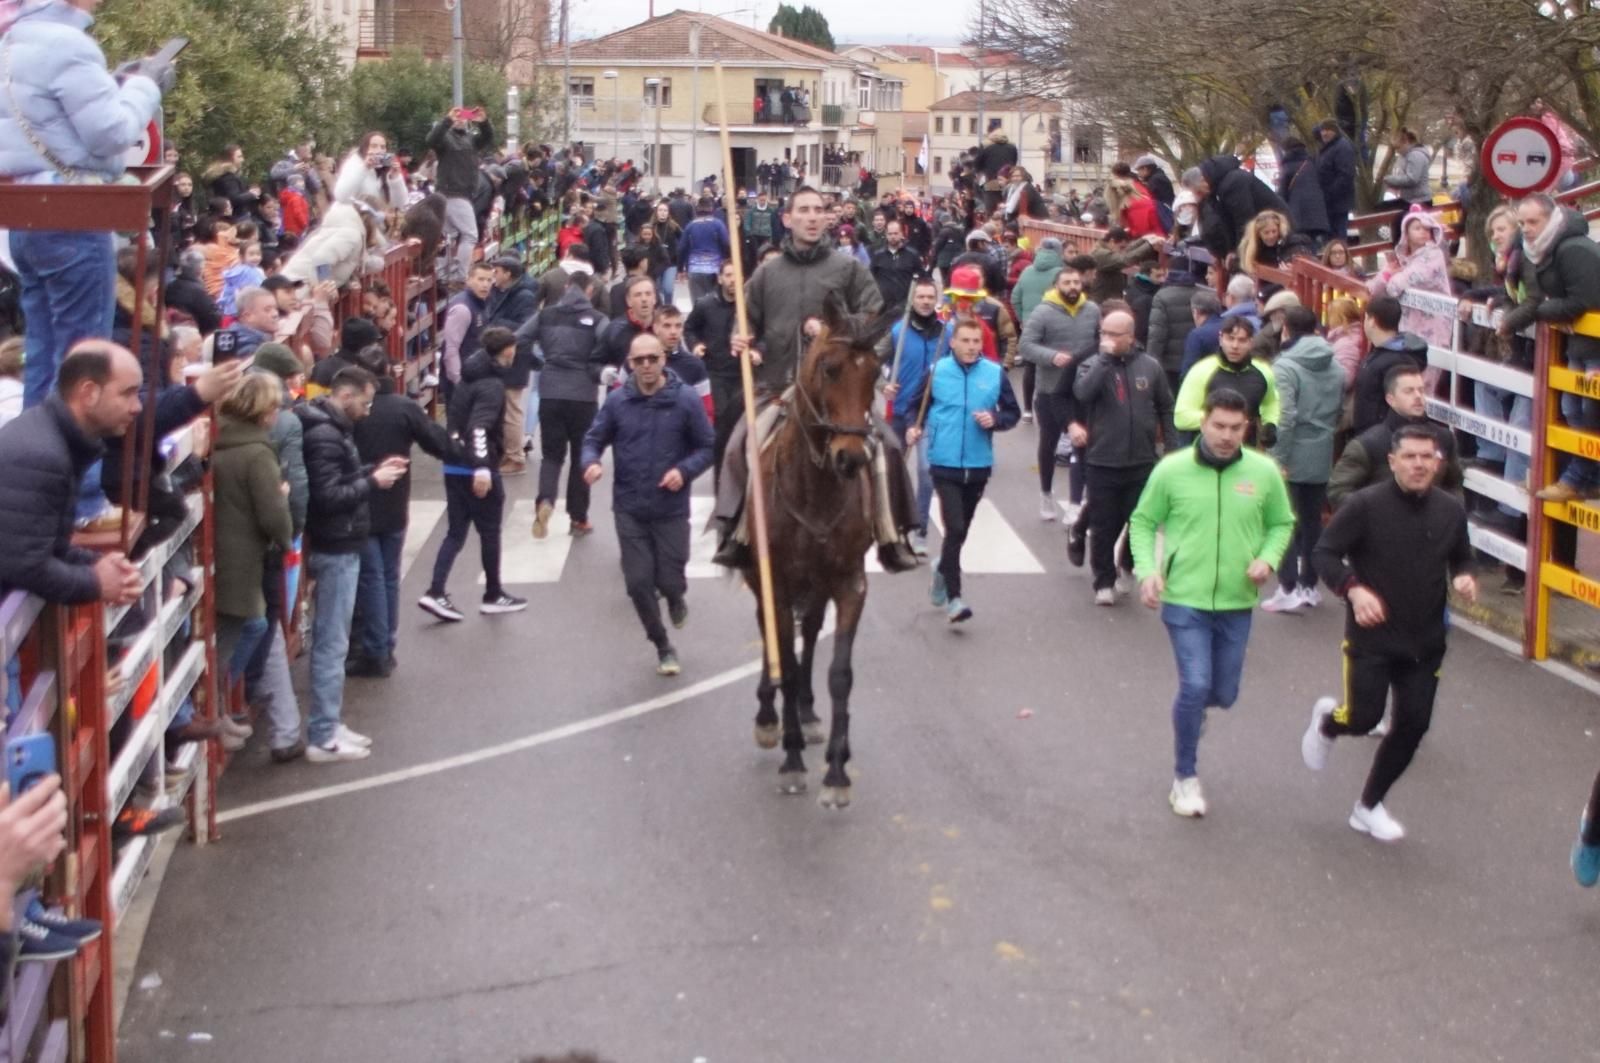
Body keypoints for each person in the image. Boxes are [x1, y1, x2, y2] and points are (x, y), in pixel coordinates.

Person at [717, 185, 914, 572]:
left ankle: (893, 534)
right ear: (787, 218)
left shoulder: (848, 269)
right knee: (738, 444)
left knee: (887, 448)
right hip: (779, 387)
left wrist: (832, 332)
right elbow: (746, 318)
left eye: (818, 210)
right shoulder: (767, 273)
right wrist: (742, 339)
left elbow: (874, 318)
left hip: (838, 394)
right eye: (803, 210)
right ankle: (736, 531)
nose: (811, 217)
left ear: (827, 218)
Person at [1301, 425, 1476, 842]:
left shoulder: (1450, 510)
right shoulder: (1365, 505)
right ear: (1393, 461)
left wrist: (1465, 576)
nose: (1419, 464)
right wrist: (1353, 589)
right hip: (1372, 639)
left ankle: (1368, 806)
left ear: (1439, 462)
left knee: (1413, 725)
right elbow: (1324, 553)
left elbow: (1463, 557)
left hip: (1425, 642)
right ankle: (1328, 723)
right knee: (1363, 718)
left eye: (1427, 457)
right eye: (1410, 457)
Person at [1130, 389, 1295, 818]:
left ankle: (1195, 714)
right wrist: (1147, 571)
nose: (1226, 436)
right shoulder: (1172, 470)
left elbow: (1281, 523)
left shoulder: (1262, 472)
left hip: (1237, 600)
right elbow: (1143, 522)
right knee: (1195, 684)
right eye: (1218, 426)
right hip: (1184, 597)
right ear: (1203, 423)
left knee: (1223, 693)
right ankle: (1184, 777)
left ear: (1247, 428)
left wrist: (1267, 559)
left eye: (1235, 428)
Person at [1, 0, 169, 408]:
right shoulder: (68, 44)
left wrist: (113, 85)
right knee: (84, 363)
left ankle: (35, 445)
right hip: (73, 213)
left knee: (42, 355)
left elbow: (52, 119)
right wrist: (146, 87)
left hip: (26, 215)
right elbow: (111, 134)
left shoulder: (12, 40)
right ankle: (71, 452)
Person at [580, 331, 714, 675]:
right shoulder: (617, 401)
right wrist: (591, 462)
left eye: (652, 358)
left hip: (671, 508)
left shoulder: (685, 399)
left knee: (670, 581)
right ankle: (662, 645)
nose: (646, 366)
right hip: (630, 507)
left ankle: (676, 597)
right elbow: (593, 439)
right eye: (639, 360)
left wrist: (683, 471)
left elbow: (708, 446)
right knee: (638, 583)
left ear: (663, 360)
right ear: (630, 363)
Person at [296, 366, 409, 764]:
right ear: (345, 396)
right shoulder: (327, 435)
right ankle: (323, 734)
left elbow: (334, 483)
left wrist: (369, 472)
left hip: (341, 540)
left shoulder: (329, 429)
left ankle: (329, 724)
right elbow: (328, 496)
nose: (368, 410)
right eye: (365, 402)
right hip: (337, 544)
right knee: (332, 642)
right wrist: (373, 482)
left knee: (335, 640)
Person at [0, 342, 144, 605]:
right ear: (88, 393)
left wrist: (97, 564)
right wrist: (97, 582)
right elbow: (23, 565)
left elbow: (46, 547)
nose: (137, 407)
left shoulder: (51, 437)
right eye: (128, 394)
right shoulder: (42, 456)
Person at [350, 347, 463, 670]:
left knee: (371, 578)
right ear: (390, 370)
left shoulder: (353, 411)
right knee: (388, 576)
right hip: (395, 501)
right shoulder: (404, 408)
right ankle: (386, 642)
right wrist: (468, 454)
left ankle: (374, 648)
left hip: (360, 499)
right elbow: (438, 443)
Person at [906, 318, 1021, 623]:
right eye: (965, 341)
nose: (971, 347)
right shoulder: (937, 371)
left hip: (978, 463)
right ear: (953, 343)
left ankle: (941, 568)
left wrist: (995, 419)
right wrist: (912, 427)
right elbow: (915, 407)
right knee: (954, 528)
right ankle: (955, 599)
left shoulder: (994, 373)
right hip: (943, 462)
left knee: (960, 532)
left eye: (976, 341)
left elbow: (1013, 412)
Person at [419, 327, 528, 623]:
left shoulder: (467, 378)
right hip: (477, 467)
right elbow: (479, 427)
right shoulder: (492, 386)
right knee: (490, 532)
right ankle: (493, 594)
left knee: (455, 532)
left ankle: (436, 590)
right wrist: (482, 467)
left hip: (453, 464)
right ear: (506, 351)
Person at [1072, 310, 1177, 604]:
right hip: (1102, 459)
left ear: (1130, 336)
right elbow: (1083, 393)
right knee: (1104, 525)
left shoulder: (1150, 366)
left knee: (1140, 520)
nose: (1107, 339)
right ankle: (1103, 581)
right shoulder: (1093, 364)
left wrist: (1171, 446)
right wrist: (1104, 360)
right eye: (1103, 333)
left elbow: (1166, 406)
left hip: (1141, 460)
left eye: (1114, 334)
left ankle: (1127, 564)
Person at [1500, 194, 1600, 502]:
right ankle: (1587, 478)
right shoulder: (1544, 249)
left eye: (1533, 221)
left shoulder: (1572, 249)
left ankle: (1575, 479)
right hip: (1580, 343)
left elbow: (1583, 301)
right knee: (1573, 409)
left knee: (1589, 412)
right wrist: (1554, 310)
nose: (1526, 229)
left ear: (1551, 218)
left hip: (1594, 346)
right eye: (1522, 223)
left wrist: (1546, 310)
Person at [211, 374, 294, 683]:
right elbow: (273, 513)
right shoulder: (258, 454)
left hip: (221, 549)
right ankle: (223, 691)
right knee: (250, 626)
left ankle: (221, 692)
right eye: (275, 407)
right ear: (264, 411)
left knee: (234, 628)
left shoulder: (220, 440)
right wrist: (286, 538)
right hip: (243, 558)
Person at [1263, 306, 1345, 612]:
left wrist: (1277, 457)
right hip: (1322, 447)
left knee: (1282, 518)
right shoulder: (1335, 366)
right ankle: (1309, 585)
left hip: (1293, 450)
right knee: (1312, 521)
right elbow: (1338, 410)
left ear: (1286, 329)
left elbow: (1285, 416)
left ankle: (1287, 585)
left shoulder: (1285, 367)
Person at [517, 272, 607, 539]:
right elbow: (611, 344)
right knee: (581, 456)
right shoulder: (597, 319)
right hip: (583, 394)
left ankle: (545, 500)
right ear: (590, 291)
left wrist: (537, 363)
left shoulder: (545, 315)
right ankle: (578, 518)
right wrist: (597, 368)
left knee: (552, 456)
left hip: (551, 391)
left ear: (567, 287)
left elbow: (519, 339)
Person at [1020, 260, 1100, 522]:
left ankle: (1077, 502)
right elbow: (1026, 346)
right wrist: (1052, 356)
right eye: (1067, 283)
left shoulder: (1092, 310)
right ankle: (1046, 493)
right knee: (1049, 443)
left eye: (1076, 282)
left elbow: (1100, 342)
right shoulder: (1043, 312)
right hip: (1050, 389)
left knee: (1082, 444)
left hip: (1083, 390)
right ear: (1056, 286)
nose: (1073, 287)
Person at [1330, 365, 1463, 510]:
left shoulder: (1444, 438)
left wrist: (1446, 512)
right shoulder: (1368, 444)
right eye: (1409, 391)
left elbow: (1455, 485)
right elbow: (1338, 491)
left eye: (1421, 390)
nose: (1418, 396)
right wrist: (1377, 513)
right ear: (1390, 399)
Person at [879, 278, 944, 550]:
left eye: (930, 297)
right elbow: (872, 360)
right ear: (912, 300)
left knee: (926, 472)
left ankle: (920, 531)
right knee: (893, 472)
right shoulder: (898, 331)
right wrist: (883, 385)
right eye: (921, 297)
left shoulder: (947, 332)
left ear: (936, 300)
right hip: (900, 411)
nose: (926, 302)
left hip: (930, 413)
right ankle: (893, 526)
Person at [1174, 316, 1279, 445]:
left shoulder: (1263, 372)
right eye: (1230, 339)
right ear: (1221, 339)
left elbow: (1271, 403)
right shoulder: (1202, 371)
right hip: (1207, 451)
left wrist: (1270, 424)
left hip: (1246, 451)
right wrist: (1224, 421)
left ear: (1251, 343)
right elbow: (1181, 417)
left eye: (1242, 340)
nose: (1235, 346)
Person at [1367, 206, 1453, 356]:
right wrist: (1386, 275)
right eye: (1417, 228)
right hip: (1409, 322)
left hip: (1433, 321)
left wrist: (1393, 280)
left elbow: (1402, 283)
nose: (1423, 232)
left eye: (1427, 229)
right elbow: (1373, 288)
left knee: (1430, 360)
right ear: (1406, 232)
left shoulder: (1434, 255)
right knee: (1408, 359)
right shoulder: (1402, 258)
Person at [686, 260, 742, 481]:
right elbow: (690, 328)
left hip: (742, 373)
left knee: (741, 422)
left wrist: (758, 350)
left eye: (736, 275)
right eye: (728, 275)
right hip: (715, 372)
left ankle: (738, 470)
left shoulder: (749, 305)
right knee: (720, 420)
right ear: (720, 278)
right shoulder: (706, 304)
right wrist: (695, 345)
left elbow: (763, 332)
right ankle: (721, 472)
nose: (733, 280)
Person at [1181, 155, 1290, 267]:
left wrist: (1239, 252)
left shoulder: (1233, 183)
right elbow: (1227, 221)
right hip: (1261, 232)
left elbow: (1244, 219)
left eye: (1198, 191)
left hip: (1275, 228)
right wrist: (1232, 249)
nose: (1199, 195)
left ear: (1203, 180)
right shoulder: (1215, 190)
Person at [426, 107, 495, 284]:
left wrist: (484, 122)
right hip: (452, 193)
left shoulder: (470, 139)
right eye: (457, 116)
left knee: (449, 236)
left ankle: (443, 275)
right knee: (470, 235)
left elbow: (488, 138)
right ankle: (458, 275)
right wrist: (447, 120)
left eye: (463, 116)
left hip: (458, 194)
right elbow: (432, 139)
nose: (460, 119)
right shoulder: (446, 138)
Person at [485, 256, 540, 475]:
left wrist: (495, 324)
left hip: (515, 359)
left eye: (496, 271)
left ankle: (515, 457)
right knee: (506, 408)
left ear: (508, 274)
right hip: (508, 357)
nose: (493, 276)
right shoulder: (504, 292)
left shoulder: (524, 296)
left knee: (511, 409)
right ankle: (508, 454)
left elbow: (525, 326)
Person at [1350, 295, 1429, 434]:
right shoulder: (1382, 353)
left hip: (1385, 439)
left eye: (1366, 318)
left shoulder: (1396, 360)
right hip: (1373, 436)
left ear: (1372, 321)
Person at [1146, 253, 1202, 391]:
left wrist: (1151, 365)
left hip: (1170, 364)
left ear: (1169, 272)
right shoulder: (1202, 294)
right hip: (1195, 360)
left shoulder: (1162, 296)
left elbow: (1156, 334)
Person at [440, 262, 494, 401]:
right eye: (480, 279)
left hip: (476, 379)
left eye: (489, 280)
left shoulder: (482, 303)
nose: (485, 285)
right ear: (468, 280)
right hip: (463, 384)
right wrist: (459, 382)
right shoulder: (462, 309)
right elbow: (451, 350)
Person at [333, 131, 409, 213]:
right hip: (352, 218)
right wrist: (364, 168)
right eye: (374, 146)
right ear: (365, 148)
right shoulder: (354, 164)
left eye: (383, 147)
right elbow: (341, 197)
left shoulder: (386, 169)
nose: (379, 150)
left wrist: (395, 178)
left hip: (378, 219)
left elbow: (401, 205)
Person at [1277, 139, 1330, 245]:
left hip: (1298, 214)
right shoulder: (1313, 163)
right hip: (1317, 214)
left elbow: (1282, 193)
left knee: (1300, 245)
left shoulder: (1287, 166)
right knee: (1313, 244)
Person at [678, 197, 730, 301]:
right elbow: (726, 244)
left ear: (697, 209)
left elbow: (682, 248)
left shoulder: (690, 226)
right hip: (715, 269)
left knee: (698, 303)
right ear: (711, 209)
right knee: (716, 302)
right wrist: (726, 260)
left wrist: (680, 269)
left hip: (695, 269)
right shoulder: (718, 224)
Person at [1315, 120, 1356, 242]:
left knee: (1338, 241)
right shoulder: (1328, 147)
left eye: (1328, 130)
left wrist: (1328, 194)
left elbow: (1346, 176)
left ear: (1335, 131)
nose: (1324, 133)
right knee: (1329, 241)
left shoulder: (1342, 147)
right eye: (1322, 130)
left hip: (1338, 205)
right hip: (1329, 205)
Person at [870, 218, 922, 315]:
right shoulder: (878, 256)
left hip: (905, 306)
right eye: (890, 234)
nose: (893, 236)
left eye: (895, 233)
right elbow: (871, 278)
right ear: (886, 235)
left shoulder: (912, 255)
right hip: (884, 307)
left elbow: (922, 278)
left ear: (901, 234)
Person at [1379, 129, 1434, 207]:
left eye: (1398, 147)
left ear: (1406, 142)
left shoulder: (1415, 155)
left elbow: (1412, 179)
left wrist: (1390, 179)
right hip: (1408, 199)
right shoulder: (1404, 156)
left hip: (1419, 200)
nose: (1397, 151)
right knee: (1380, 208)